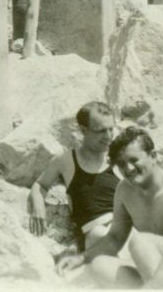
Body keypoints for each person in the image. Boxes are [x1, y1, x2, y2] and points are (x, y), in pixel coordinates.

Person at [57, 127, 163, 290]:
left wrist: (157, 283)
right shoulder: (124, 190)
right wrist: (81, 257)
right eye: (122, 164)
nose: (129, 169)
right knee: (97, 265)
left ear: (153, 156)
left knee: (140, 242)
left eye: (134, 160)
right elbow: (115, 238)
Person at [27, 101, 118, 249]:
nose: (108, 136)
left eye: (111, 129)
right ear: (84, 130)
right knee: (101, 234)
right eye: (100, 131)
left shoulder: (120, 157)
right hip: (96, 233)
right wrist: (38, 208)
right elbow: (40, 185)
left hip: (125, 228)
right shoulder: (66, 160)